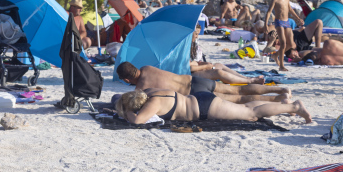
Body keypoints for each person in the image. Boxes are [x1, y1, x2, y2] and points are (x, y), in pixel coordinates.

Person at [116, 62, 291, 104]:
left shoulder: (140, 89)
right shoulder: (147, 67)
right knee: (237, 90)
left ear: (126, 79)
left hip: (194, 94)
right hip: (195, 80)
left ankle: (278, 100)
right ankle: (280, 89)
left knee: (237, 100)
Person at [115, 88, 312, 124]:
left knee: (251, 114)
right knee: (248, 107)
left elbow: (138, 121)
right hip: (199, 99)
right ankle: (283, 104)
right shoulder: (151, 92)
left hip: (204, 108)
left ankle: (294, 107)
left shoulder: (152, 103)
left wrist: (125, 113)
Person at [265, 0, 304, 71]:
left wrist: (298, 18)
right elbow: (269, 12)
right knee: (283, 44)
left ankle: (275, 55)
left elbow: (290, 9)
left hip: (287, 22)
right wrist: (265, 24)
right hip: (279, 22)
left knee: (291, 44)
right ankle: (281, 66)